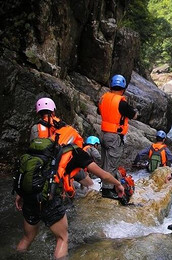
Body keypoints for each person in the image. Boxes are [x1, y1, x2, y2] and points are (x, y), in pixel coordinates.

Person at [15, 125, 125, 259]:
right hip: (49, 199)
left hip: (29, 196)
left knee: (27, 238)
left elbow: (29, 172)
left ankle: (17, 256)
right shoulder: (76, 152)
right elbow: (104, 176)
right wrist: (118, 184)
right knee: (62, 238)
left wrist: (20, 194)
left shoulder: (44, 150)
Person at [98, 74, 138, 199]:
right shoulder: (122, 103)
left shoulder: (103, 98)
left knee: (105, 162)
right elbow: (133, 115)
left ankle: (106, 186)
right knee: (112, 164)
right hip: (114, 136)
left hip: (103, 134)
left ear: (111, 86)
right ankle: (107, 190)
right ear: (123, 88)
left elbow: (99, 111)